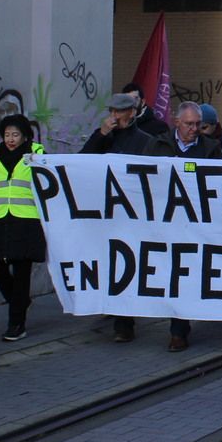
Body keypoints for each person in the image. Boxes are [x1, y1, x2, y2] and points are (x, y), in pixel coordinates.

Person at [144, 101, 219, 350]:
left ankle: (179, 331)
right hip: (163, 222)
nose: (194, 129)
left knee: (184, 274)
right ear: (176, 122)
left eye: (198, 124)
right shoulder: (156, 146)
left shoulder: (210, 149)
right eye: (188, 124)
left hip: (194, 224)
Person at [82, 94, 156, 342]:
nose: (114, 116)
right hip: (106, 214)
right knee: (109, 265)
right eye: (112, 111)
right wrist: (101, 135)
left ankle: (124, 324)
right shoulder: (104, 137)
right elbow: (81, 162)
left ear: (131, 113)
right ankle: (116, 312)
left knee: (126, 265)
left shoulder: (145, 141)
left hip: (132, 215)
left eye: (120, 112)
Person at [0, 114, 45, 342]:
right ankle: (21, 302)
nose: (11, 139)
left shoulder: (36, 155)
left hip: (26, 221)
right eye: (7, 135)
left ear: (24, 136)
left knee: (22, 273)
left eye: (15, 135)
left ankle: (16, 324)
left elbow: (47, 190)